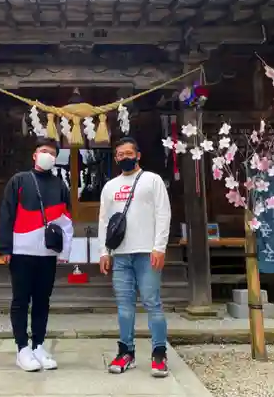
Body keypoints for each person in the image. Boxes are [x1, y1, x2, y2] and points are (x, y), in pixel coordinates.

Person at [98, 137, 171, 378]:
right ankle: (126, 351)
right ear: (116, 158)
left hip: (147, 252)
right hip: (120, 255)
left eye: (129, 153)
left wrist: (159, 247)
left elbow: (163, 213)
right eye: (120, 154)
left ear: (138, 155)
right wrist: (104, 252)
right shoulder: (110, 186)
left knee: (152, 303)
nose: (125, 157)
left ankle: (159, 353)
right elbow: (104, 221)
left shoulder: (152, 180)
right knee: (124, 307)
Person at [0, 137, 73, 372]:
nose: (47, 155)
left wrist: (65, 251)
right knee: (21, 300)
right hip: (21, 250)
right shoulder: (19, 181)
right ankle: (22, 348)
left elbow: (67, 220)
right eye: (43, 151)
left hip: (47, 252)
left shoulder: (61, 185)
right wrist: (5, 247)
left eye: (52, 153)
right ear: (34, 155)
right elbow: (7, 214)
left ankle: (39, 344)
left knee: (43, 300)